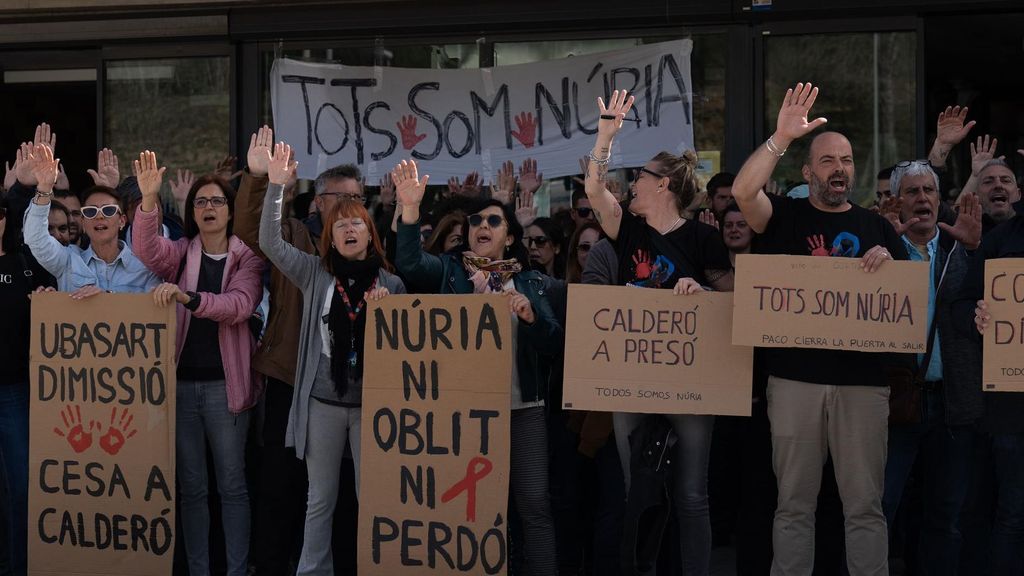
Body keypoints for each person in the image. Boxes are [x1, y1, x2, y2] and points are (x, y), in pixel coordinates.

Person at [730, 82, 909, 576]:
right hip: (794, 383)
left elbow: (907, 305)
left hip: (863, 387)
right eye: (828, 161)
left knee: (865, 508)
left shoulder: (878, 229)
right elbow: (745, 192)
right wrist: (781, 138)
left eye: (847, 161)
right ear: (808, 172)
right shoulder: (784, 217)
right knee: (793, 507)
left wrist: (889, 263)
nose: (839, 169)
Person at [583, 89, 732, 576]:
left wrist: (703, 296)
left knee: (691, 494)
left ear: (663, 184)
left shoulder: (703, 238)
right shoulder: (628, 231)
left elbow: (735, 308)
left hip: (690, 385)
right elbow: (594, 192)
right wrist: (606, 137)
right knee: (638, 492)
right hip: (633, 377)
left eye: (640, 177)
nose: (631, 185)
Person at [392, 158, 562, 576]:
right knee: (472, 508)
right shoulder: (450, 272)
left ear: (508, 237)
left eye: (493, 220)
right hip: (462, 416)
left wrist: (531, 319)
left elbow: (555, 343)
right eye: (475, 221)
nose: (481, 226)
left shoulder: (531, 283)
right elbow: (410, 265)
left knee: (533, 503)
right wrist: (410, 211)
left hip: (522, 410)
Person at [259, 142, 405, 576]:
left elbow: (406, 353)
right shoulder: (313, 271)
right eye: (339, 223)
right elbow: (268, 241)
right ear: (329, 233)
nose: (347, 228)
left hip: (370, 409)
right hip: (321, 405)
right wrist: (275, 188)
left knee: (369, 497)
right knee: (319, 499)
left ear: (368, 231)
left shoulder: (392, 286)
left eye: (356, 221)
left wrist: (388, 315)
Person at [132, 150, 264, 576]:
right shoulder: (182, 252)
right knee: (191, 489)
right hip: (182, 389)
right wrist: (149, 201)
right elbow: (147, 249)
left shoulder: (248, 259)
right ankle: (199, 569)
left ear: (230, 211)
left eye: (216, 201)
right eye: (200, 202)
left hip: (228, 392)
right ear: (192, 212)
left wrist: (188, 298)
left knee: (232, 486)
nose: (208, 208)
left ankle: (238, 569)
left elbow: (240, 305)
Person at [880, 160, 983, 576]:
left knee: (945, 517)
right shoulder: (880, 251)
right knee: (880, 510)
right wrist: (884, 242)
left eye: (929, 192)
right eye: (912, 192)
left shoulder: (966, 248)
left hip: (952, 406)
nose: (922, 198)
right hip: (895, 405)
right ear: (897, 202)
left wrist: (977, 251)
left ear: (940, 202)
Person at [232, 126, 313, 575]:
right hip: (287, 375)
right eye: (333, 198)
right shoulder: (294, 236)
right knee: (278, 485)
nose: (342, 210)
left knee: (326, 493)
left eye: (352, 201)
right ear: (316, 201)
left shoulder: (368, 248)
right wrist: (261, 178)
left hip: (341, 388)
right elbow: (250, 230)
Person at [963, 191, 1024, 576]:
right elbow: (963, 303)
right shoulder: (1002, 240)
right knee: (1013, 512)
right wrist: (978, 316)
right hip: (1011, 409)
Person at [23, 142, 160, 296]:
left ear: (122, 221)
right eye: (90, 211)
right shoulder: (68, 261)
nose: (99, 216)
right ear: (83, 222)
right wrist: (44, 188)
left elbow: (153, 313)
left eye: (108, 210)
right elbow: (35, 238)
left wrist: (105, 297)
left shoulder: (145, 269)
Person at [0, 195, 54, 576]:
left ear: (4, 219)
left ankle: (20, 567)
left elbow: (59, 305)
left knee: (21, 489)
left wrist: (49, 303)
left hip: (14, 392)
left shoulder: (26, 263)